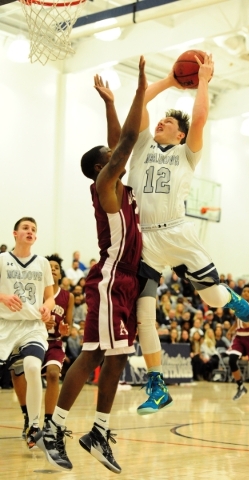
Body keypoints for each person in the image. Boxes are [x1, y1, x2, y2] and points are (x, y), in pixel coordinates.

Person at [35, 57, 147, 473]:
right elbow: (129, 138)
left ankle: (99, 431)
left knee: (118, 357)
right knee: (94, 354)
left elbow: (118, 138)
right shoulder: (105, 186)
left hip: (129, 283)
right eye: (112, 155)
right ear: (104, 167)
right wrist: (140, 90)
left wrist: (110, 103)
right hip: (110, 279)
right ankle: (53, 428)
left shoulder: (113, 178)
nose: (117, 153)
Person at [126, 52, 249, 412]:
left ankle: (232, 298)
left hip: (178, 234)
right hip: (146, 239)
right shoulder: (141, 146)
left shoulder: (187, 154)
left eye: (169, 121)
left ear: (181, 135)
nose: (162, 121)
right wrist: (169, 79)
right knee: (143, 315)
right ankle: (157, 385)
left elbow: (199, 118)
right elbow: (141, 101)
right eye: (161, 120)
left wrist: (204, 81)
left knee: (212, 300)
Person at [0, 217, 55, 448]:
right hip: (5, 324)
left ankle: (34, 426)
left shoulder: (42, 262)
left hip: (32, 326)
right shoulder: (2, 260)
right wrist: (2, 296)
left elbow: (51, 296)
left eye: (33, 229)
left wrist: (47, 307)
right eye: (25, 228)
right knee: (17, 373)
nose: (30, 231)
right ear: (15, 233)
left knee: (33, 367)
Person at [10, 254, 74, 439]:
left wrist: (64, 329)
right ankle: (27, 415)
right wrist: (39, 322)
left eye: (56, 267)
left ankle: (48, 421)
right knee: (17, 372)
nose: (53, 269)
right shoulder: (34, 290)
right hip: (31, 337)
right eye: (49, 266)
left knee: (53, 374)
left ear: (60, 274)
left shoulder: (67, 296)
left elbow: (68, 329)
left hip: (53, 343)